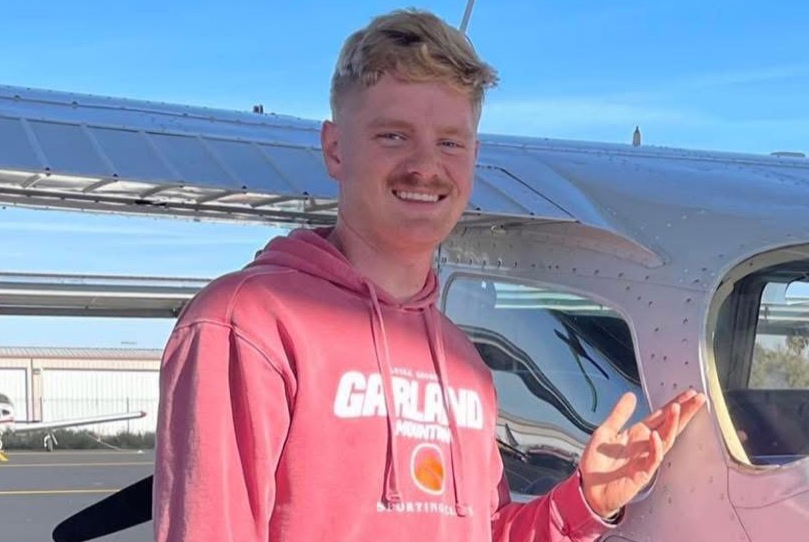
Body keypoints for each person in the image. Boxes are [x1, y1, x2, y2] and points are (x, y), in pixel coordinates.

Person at [153, 9, 707, 542]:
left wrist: (585, 503)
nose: (425, 166)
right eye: (393, 136)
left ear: (473, 155)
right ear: (335, 149)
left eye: (449, 142)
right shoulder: (246, 325)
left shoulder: (462, 362)